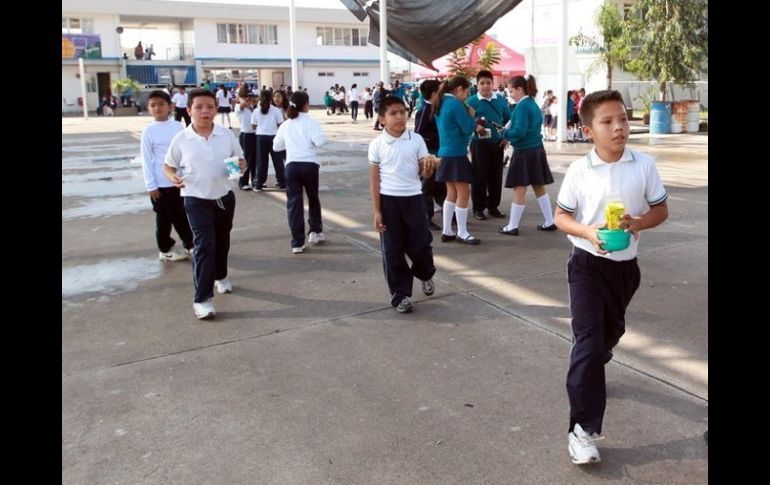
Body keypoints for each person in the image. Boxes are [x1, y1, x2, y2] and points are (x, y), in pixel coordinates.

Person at [553, 89, 669, 465]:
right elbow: (562, 216)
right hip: (587, 266)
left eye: (622, 118)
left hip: (625, 270)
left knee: (607, 338)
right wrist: (588, 233)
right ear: (589, 130)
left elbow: (660, 209)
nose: (619, 127)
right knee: (587, 343)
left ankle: (595, 361)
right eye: (607, 121)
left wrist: (639, 223)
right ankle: (582, 430)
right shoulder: (580, 170)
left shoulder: (644, 164)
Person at [163, 89, 246, 320]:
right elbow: (168, 166)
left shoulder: (226, 135)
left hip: (224, 198)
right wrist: (172, 177)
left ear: (216, 110)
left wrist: (239, 167)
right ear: (188, 110)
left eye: (209, 107)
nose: (205, 111)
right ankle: (202, 299)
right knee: (204, 245)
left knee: (222, 241)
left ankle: (221, 276)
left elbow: (240, 160)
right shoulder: (181, 139)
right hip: (195, 199)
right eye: (199, 107)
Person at [369, 96, 440, 313]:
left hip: (414, 199)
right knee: (392, 250)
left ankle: (425, 273)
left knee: (421, 244)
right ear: (382, 119)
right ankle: (400, 294)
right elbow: (375, 180)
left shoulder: (416, 139)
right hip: (389, 202)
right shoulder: (377, 144)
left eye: (402, 112)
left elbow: (424, 172)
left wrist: (429, 167)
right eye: (393, 113)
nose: (400, 117)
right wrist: (377, 211)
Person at [499, 75, 557, 236]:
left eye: (511, 91)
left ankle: (512, 226)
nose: (510, 94)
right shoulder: (532, 104)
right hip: (536, 149)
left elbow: (519, 131)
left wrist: (504, 133)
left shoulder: (522, 106)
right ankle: (549, 221)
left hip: (524, 152)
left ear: (520, 89)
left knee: (519, 189)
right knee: (539, 186)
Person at [140, 90, 194, 263]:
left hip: (177, 181)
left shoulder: (177, 127)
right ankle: (164, 249)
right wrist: (151, 186)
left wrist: (186, 175)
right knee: (163, 219)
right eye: (153, 105)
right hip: (160, 183)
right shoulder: (148, 131)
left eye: (161, 104)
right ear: (149, 108)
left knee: (181, 215)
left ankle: (190, 244)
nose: (157, 108)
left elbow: (184, 152)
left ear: (170, 107)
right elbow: (146, 159)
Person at [433, 76, 486, 245]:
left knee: (451, 193)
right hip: (456, 153)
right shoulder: (455, 104)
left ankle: (447, 230)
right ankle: (462, 232)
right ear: (459, 89)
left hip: (445, 152)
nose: (467, 95)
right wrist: (472, 117)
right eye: (467, 91)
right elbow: (467, 127)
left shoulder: (441, 102)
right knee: (463, 193)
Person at [273, 91, 328, 254]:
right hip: (309, 165)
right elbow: (320, 141)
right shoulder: (310, 122)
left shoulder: (286, 124)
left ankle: (297, 242)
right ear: (306, 105)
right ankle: (315, 231)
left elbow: (276, 146)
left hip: (291, 166)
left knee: (294, 204)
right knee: (313, 198)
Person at [467, 70, 511, 221]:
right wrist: (474, 126)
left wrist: (506, 137)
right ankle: (478, 208)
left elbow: (508, 120)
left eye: (488, 83)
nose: (485, 86)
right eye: (482, 83)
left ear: (493, 84)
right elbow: (465, 119)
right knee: (479, 176)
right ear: (477, 85)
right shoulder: (471, 101)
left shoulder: (500, 100)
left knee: (495, 176)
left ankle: (493, 206)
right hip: (479, 143)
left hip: (497, 143)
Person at [414, 80, 445, 231]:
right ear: (434, 94)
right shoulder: (425, 110)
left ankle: (448, 213)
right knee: (427, 186)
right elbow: (418, 133)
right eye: (441, 92)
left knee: (440, 185)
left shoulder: (436, 108)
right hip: (429, 155)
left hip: (438, 152)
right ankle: (426, 218)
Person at [250, 89, 286, 191]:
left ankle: (259, 184)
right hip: (274, 137)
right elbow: (281, 124)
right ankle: (282, 183)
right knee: (278, 161)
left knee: (261, 162)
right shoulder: (276, 110)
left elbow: (253, 126)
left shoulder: (257, 111)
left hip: (260, 138)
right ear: (271, 99)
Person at [235, 93, 257, 190]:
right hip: (246, 135)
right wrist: (239, 96)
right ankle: (242, 182)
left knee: (255, 160)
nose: (249, 101)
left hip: (255, 135)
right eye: (247, 99)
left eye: (251, 99)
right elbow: (243, 103)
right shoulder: (239, 108)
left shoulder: (253, 109)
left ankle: (254, 180)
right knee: (245, 158)